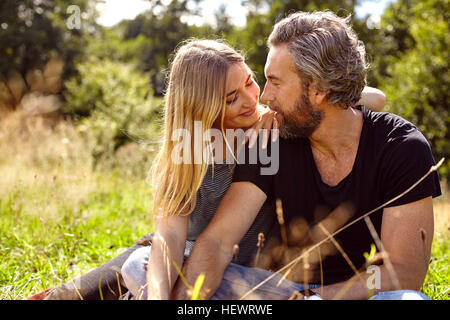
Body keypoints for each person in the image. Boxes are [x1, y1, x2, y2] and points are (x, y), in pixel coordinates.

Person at [39, 38, 386, 300]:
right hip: (192, 264)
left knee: (137, 262)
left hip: (250, 275)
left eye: (250, 82)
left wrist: (280, 109)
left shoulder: (274, 124)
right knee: (142, 260)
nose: (252, 100)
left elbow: (376, 98)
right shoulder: (188, 150)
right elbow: (171, 238)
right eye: (232, 98)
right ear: (201, 109)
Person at [166, 11, 442, 301]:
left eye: (275, 82)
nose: (264, 96)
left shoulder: (400, 147)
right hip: (281, 291)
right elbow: (218, 242)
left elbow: (402, 272)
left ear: (318, 89)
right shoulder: (270, 142)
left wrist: (314, 297)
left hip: (356, 293)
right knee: (154, 268)